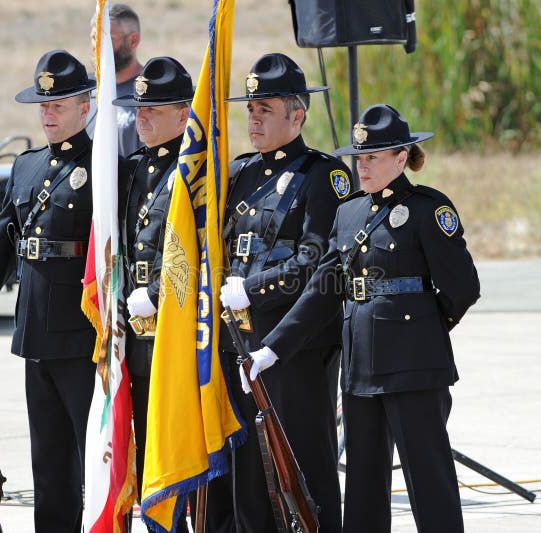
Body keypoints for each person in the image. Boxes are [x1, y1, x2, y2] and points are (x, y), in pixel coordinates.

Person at [249, 104, 481, 532]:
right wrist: (273, 347)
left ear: (400, 157)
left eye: (373, 157)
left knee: (429, 481)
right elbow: (323, 287)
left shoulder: (429, 210)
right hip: (360, 371)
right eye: (359, 157)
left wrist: (424, 329)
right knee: (363, 487)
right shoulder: (349, 212)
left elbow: (463, 289)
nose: (362, 166)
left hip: (414, 368)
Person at [0, 50, 98, 532]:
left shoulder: (107, 166)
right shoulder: (26, 167)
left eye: (58, 106)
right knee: (48, 463)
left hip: (85, 335)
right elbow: (0, 247)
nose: (47, 115)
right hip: (35, 334)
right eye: (43, 107)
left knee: (96, 459)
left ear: (85, 108)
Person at [206, 52, 352, 533]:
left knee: (304, 464)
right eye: (250, 109)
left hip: (295, 346)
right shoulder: (242, 173)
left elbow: (315, 259)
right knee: (248, 468)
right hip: (241, 342)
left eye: (264, 110)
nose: (253, 118)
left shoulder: (321, 177)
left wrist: (250, 288)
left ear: (297, 115)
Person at [112, 55, 194, 532]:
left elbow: (202, 249)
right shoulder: (133, 170)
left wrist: (161, 294)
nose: (140, 119)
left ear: (184, 114)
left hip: (178, 330)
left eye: (152, 111)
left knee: (177, 449)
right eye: (138, 110)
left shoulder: (195, 171)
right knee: (142, 442)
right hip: (134, 332)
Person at [87, 3, 143, 155]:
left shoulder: (150, 94)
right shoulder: (86, 92)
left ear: (133, 41)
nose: (97, 47)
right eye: (94, 38)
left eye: (106, 39)